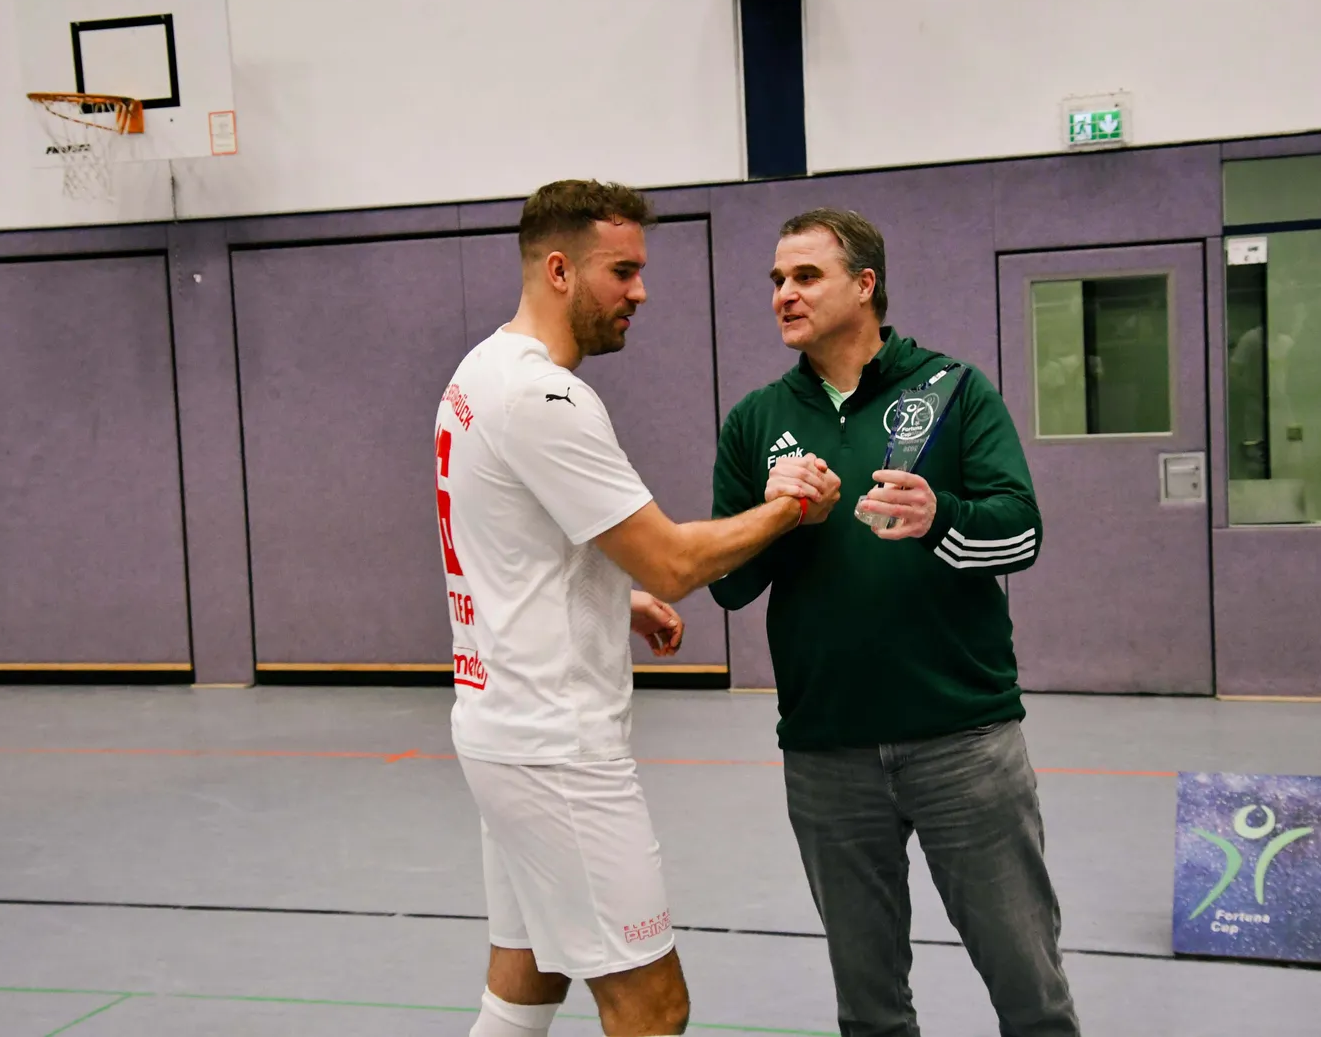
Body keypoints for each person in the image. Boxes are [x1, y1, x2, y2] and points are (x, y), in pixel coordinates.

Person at [434, 180, 841, 1037]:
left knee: (527, 981)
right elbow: (675, 559)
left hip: (500, 729)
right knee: (653, 1007)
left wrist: (615, 597)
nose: (640, 292)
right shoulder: (545, 399)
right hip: (558, 747)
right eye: (622, 271)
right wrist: (788, 507)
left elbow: (508, 545)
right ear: (559, 270)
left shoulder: (478, 373)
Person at [708, 208, 1081, 1037]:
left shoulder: (953, 390)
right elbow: (727, 585)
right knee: (870, 1009)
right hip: (826, 751)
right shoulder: (756, 421)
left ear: (865, 285)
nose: (783, 293)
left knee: (1031, 991)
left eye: (806, 276)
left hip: (963, 741)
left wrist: (938, 515)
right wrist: (776, 517)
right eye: (776, 279)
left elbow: (1021, 535)